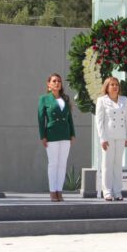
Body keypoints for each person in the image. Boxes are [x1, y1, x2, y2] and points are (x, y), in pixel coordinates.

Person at [37, 73, 76, 202]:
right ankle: (52, 192)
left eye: (59, 81)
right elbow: (41, 119)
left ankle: (59, 191)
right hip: (52, 134)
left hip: (65, 134)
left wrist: (72, 134)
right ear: (48, 84)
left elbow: (70, 118)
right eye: (54, 81)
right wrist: (43, 136)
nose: (57, 83)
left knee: (62, 164)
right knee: (53, 164)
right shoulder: (44, 99)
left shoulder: (65, 98)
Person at [95, 77, 127, 201]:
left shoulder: (124, 100)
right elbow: (99, 121)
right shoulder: (102, 100)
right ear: (107, 87)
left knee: (118, 165)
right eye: (112, 85)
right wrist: (102, 138)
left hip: (121, 136)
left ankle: (117, 191)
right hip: (108, 137)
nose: (115, 87)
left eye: (116, 84)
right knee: (107, 164)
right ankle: (107, 191)